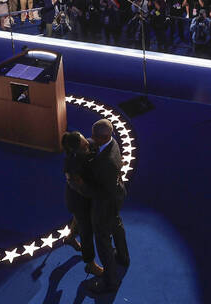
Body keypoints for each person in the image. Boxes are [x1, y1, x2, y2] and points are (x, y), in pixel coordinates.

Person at [83, 118, 129, 294]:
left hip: (105, 202)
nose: (92, 138)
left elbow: (97, 191)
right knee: (116, 224)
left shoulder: (106, 163)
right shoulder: (113, 143)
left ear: (103, 137)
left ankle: (111, 282)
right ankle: (123, 257)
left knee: (103, 241)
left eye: (94, 136)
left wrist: (78, 185)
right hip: (117, 195)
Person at [61, 131, 104, 277]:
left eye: (85, 140)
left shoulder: (89, 145)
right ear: (76, 150)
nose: (88, 144)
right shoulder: (71, 166)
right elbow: (81, 188)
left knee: (77, 219)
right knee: (86, 231)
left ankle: (70, 238)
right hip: (78, 199)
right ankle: (90, 264)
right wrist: (98, 193)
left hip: (86, 195)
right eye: (84, 145)